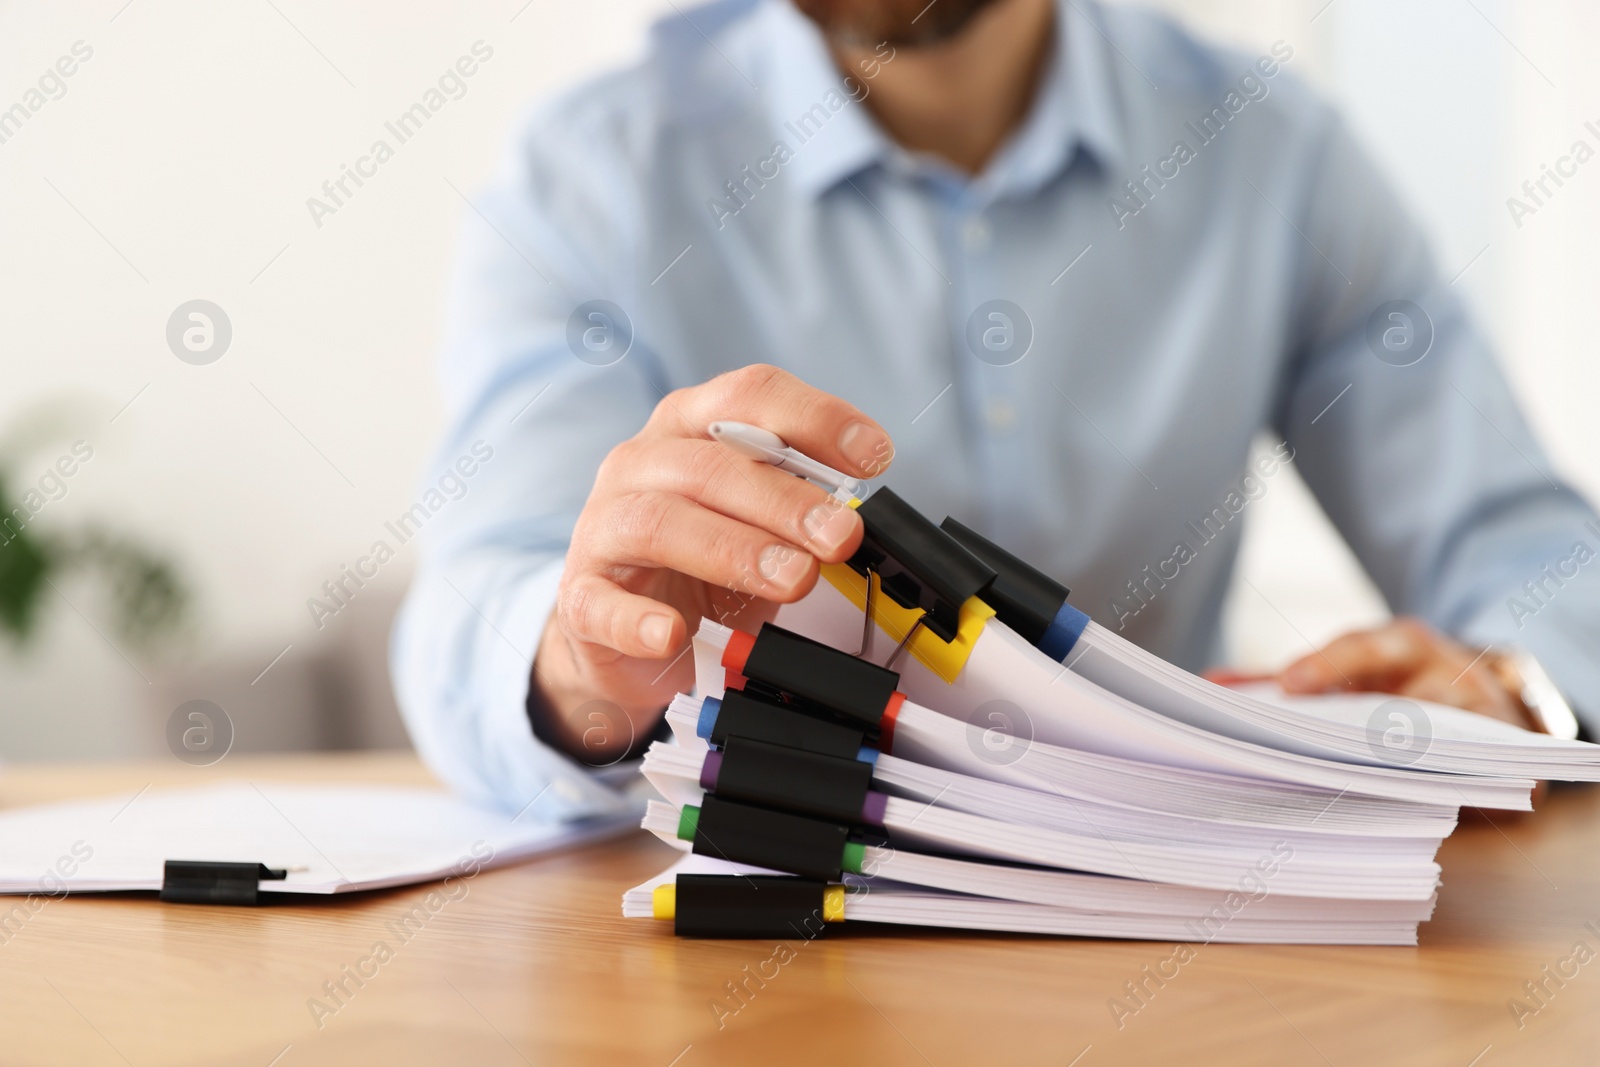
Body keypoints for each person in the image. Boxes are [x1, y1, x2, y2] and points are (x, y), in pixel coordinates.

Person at [391, 0, 1600, 816]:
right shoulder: (587, 174)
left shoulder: (1273, 154)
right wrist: (580, 666)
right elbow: (473, 599)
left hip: (1173, 913)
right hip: (760, 934)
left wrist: (1514, 687)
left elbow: (1535, 556)